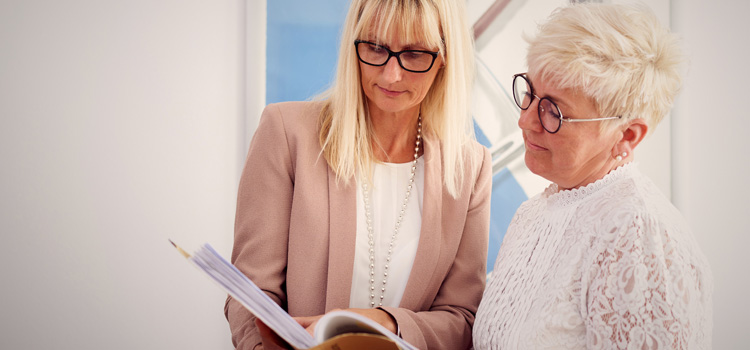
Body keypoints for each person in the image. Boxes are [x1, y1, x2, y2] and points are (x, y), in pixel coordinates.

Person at [225, 0, 491, 349]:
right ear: (354, 43)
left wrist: (384, 322)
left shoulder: (469, 168)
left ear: (444, 57)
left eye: (413, 54)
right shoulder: (287, 135)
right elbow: (249, 294)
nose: (391, 75)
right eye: (376, 47)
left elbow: (462, 319)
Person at [473, 3, 712, 349]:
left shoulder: (640, 235)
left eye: (552, 111)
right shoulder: (536, 212)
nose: (525, 120)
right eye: (529, 93)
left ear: (627, 136)